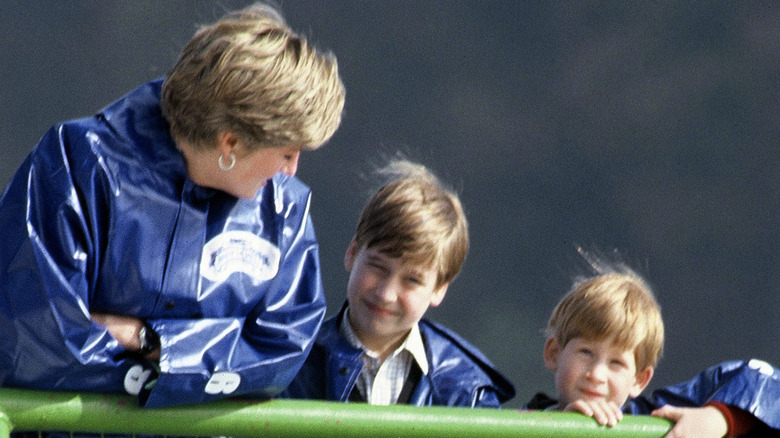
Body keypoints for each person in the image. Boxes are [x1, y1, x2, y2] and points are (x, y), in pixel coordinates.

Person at [0, 2, 345, 408]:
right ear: (230, 142)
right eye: (287, 153)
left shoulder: (286, 208)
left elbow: (281, 352)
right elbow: (34, 341)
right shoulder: (77, 165)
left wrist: (149, 339)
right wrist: (198, 370)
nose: (292, 171)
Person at [281, 159, 515, 407]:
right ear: (352, 252)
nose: (386, 294)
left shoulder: (467, 390)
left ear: (439, 290)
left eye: (412, 280)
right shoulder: (288, 366)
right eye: (377, 266)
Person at [526, 258, 779, 437]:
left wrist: (718, 420)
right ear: (554, 353)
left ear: (639, 380)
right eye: (586, 353)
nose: (596, 374)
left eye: (616, 363)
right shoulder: (517, 425)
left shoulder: (656, 421)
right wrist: (566, 429)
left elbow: (765, 384)